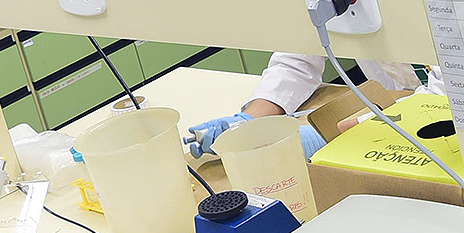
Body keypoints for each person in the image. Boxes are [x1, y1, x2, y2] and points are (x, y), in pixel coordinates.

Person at [186, 53, 444, 159]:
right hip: (387, 109)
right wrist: (248, 121)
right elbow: (297, 56)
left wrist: (323, 137)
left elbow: (447, 93)